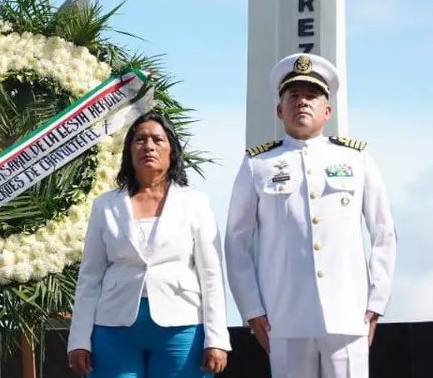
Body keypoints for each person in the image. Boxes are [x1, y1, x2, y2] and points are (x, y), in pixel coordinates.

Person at [224, 52, 396, 378]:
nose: (302, 102)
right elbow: (236, 242)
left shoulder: (356, 158)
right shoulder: (257, 164)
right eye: (294, 96)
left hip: (349, 312)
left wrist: (376, 301)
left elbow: (383, 231)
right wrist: (252, 309)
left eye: (312, 96)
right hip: (283, 314)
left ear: (327, 111)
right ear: (279, 109)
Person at [67, 111, 231, 378]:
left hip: (182, 326)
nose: (149, 146)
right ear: (129, 150)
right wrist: (79, 340)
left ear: (171, 150)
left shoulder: (195, 203)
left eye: (158, 139)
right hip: (114, 326)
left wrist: (216, 339)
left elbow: (211, 275)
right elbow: (90, 275)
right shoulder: (105, 205)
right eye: (140, 140)